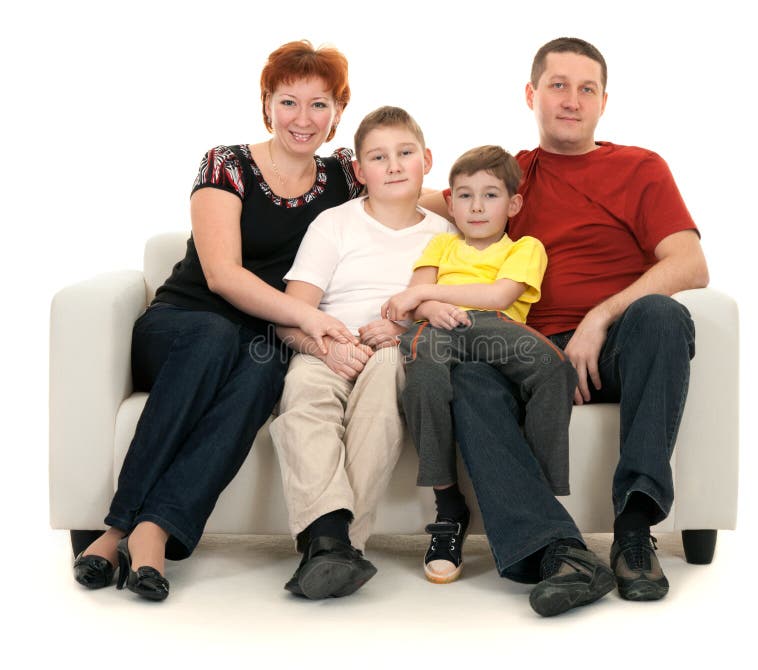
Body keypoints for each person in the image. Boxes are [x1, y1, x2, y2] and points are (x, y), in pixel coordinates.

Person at [421, 37, 708, 617]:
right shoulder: (512, 175)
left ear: (604, 101)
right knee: (471, 378)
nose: (572, 101)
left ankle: (633, 527)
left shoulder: (640, 167)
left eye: (586, 89)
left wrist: (601, 317)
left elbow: (690, 263)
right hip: (527, 350)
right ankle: (560, 551)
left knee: (662, 314)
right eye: (558, 86)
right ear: (532, 95)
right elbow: (421, 197)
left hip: (618, 344)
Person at [72, 40, 362, 601]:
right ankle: (117, 526)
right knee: (214, 334)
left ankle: (153, 529)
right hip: (183, 326)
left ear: (338, 113)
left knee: (260, 371)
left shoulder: (346, 175)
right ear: (266, 105)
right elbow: (223, 275)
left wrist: (491, 199)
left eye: (319, 104)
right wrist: (309, 316)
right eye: (289, 102)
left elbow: (413, 194)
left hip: (256, 343)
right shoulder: (226, 163)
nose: (303, 119)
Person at [269, 106, 453, 600]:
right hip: (327, 344)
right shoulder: (335, 224)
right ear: (359, 171)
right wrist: (323, 348)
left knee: (382, 392)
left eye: (404, 153)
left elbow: (451, 313)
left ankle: (332, 546)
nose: (393, 165)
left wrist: (403, 331)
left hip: (398, 348)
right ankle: (333, 544)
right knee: (304, 395)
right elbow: (292, 315)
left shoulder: (446, 235)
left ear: (426, 160)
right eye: (378, 156)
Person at [383, 145, 577, 584]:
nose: (476, 206)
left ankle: (541, 502)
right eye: (465, 195)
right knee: (424, 370)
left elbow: (498, 298)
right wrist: (427, 307)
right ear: (450, 203)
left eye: (490, 196)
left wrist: (425, 298)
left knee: (554, 367)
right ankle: (448, 505)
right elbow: (414, 306)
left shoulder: (526, 248)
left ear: (513, 204)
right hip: (436, 332)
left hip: (494, 332)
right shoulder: (441, 244)